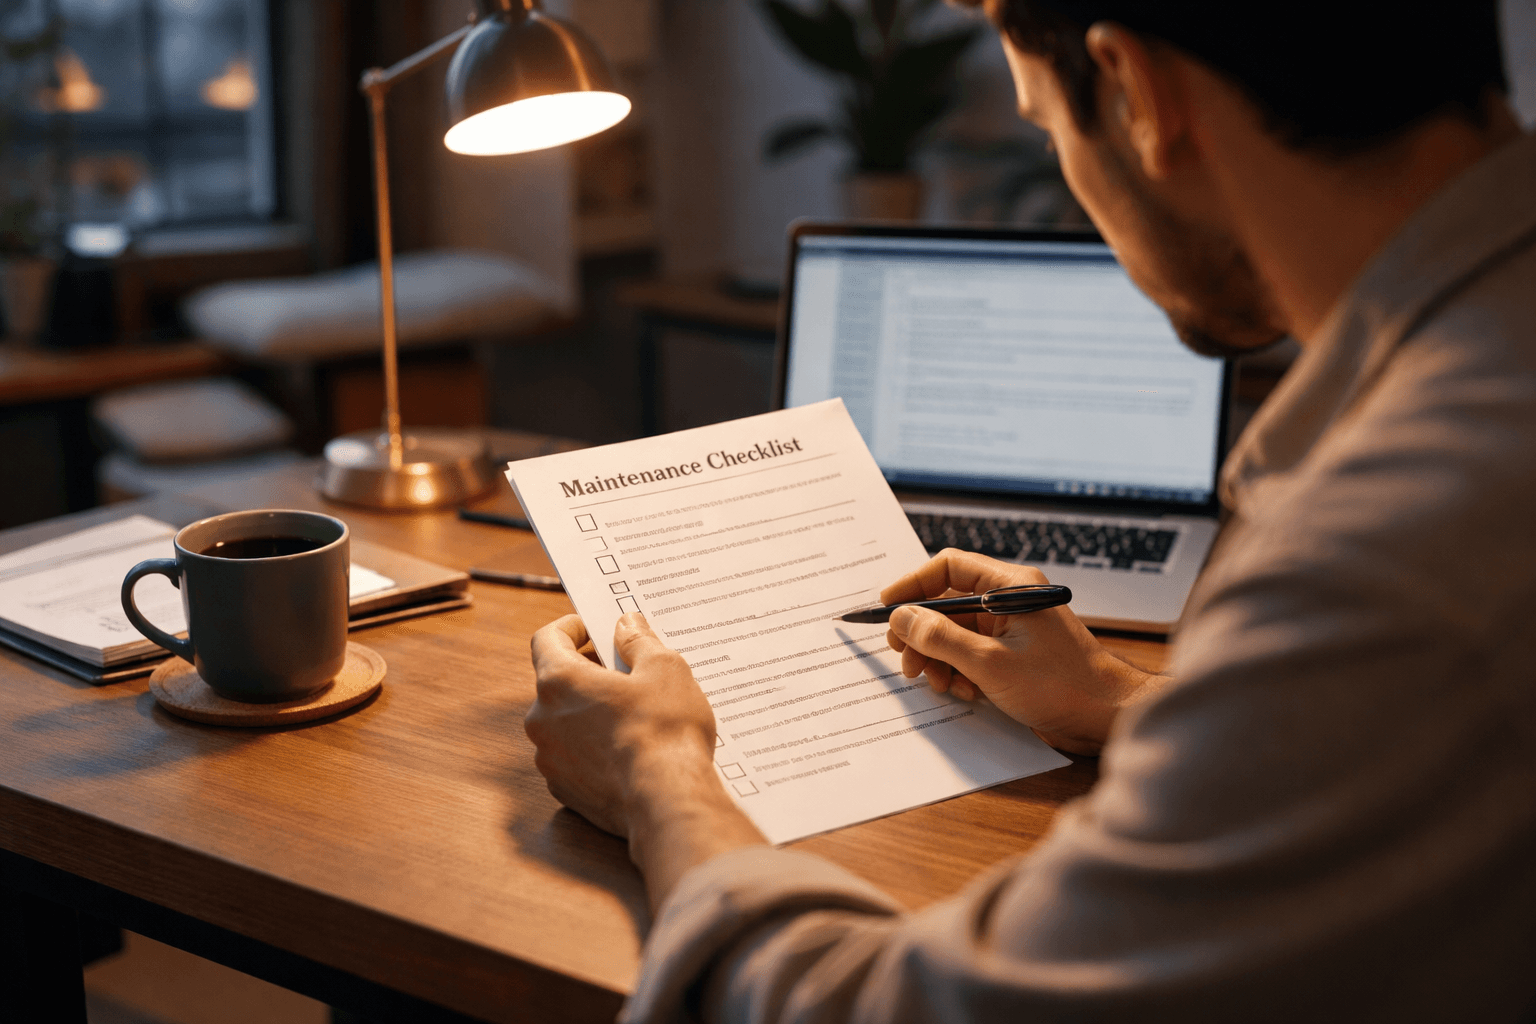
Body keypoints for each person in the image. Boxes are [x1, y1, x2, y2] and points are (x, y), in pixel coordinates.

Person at [526, 0, 1536, 1019]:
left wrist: (658, 771)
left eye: (1047, 127)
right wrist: (1125, 702)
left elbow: (895, 1009)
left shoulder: (1383, 558)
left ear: (1136, 93)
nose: (1064, 166)